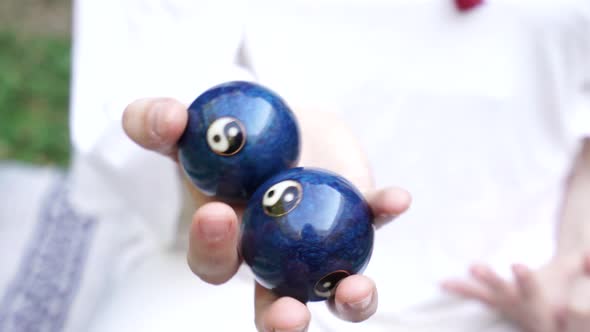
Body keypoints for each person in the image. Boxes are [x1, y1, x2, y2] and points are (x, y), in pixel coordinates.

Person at [1, 0, 588, 331]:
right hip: (237, 277)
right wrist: (198, 166)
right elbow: (153, 60)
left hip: (515, 292)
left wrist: (574, 270)